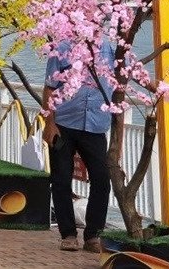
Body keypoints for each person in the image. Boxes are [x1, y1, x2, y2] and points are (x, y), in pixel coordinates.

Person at [42, 38, 114, 253]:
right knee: (61, 179)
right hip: (64, 122)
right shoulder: (62, 48)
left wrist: (155, 86)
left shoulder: (110, 48)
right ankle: (68, 234)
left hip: (96, 125)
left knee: (102, 179)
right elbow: (49, 87)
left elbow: (126, 74)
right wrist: (50, 123)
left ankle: (93, 234)